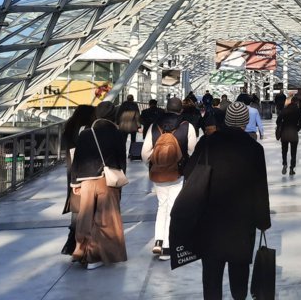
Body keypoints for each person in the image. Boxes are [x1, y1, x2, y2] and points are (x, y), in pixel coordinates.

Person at [183, 102, 271, 300]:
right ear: (246, 122)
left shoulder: (207, 143)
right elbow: (260, 188)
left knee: (211, 276)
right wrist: (263, 221)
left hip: (210, 221)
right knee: (239, 274)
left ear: (227, 120)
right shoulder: (254, 149)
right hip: (241, 224)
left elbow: (188, 172)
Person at [69, 101, 128, 270]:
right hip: (107, 181)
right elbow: (121, 160)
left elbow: (77, 159)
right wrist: (120, 181)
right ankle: (96, 256)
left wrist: (75, 182)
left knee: (85, 217)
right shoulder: (117, 134)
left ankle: (80, 250)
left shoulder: (86, 133)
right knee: (106, 220)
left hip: (86, 180)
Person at [141, 97, 198, 261]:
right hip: (178, 173)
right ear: (181, 110)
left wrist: (156, 164)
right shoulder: (187, 127)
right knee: (173, 207)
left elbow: (145, 153)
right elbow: (193, 150)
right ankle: (167, 246)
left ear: (166, 109)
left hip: (158, 174)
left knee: (162, 205)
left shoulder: (154, 126)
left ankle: (158, 240)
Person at [60, 105, 96, 256]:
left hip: (72, 171)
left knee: (76, 208)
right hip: (84, 172)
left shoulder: (70, 127)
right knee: (88, 208)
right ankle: (80, 245)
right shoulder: (86, 130)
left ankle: (73, 243)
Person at [276, 97, 301, 176]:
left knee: (284, 151)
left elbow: (277, 121)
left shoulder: (284, 110)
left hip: (284, 133)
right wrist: (297, 129)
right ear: (297, 102)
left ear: (291, 102)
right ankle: (292, 168)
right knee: (293, 152)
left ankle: (284, 164)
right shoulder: (298, 111)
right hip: (294, 133)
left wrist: (281, 126)